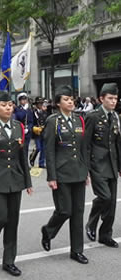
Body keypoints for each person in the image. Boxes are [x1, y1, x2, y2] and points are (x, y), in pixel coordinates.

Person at [0, 91, 33, 277]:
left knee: (12, 222)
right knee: (0, 217)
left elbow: (22, 156)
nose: (8, 108)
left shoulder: (18, 126)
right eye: (3, 105)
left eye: (10, 104)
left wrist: (28, 181)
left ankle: (9, 261)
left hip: (15, 179)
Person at [41, 85, 89, 264]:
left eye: (72, 99)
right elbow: (50, 150)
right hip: (61, 173)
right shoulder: (53, 121)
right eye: (66, 100)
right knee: (65, 210)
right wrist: (51, 176)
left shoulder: (79, 120)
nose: (70, 102)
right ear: (58, 103)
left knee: (78, 212)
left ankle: (77, 250)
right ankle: (48, 230)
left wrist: (86, 171)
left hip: (78, 172)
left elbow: (83, 148)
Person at [85, 82, 121, 248]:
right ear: (101, 99)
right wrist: (85, 168)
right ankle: (92, 222)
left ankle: (105, 234)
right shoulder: (93, 116)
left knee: (112, 203)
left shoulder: (115, 116)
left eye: (115, 98)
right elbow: (85, 144)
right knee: (104, 197)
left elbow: (117, 143)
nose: (114, 101)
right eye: (110, 98)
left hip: (112, 164)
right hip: (97, 164)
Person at [14, 92, 33, 160]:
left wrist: (29, 128)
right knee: (21, 149)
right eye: (22, 100)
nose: (24, 101)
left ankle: (25, 164)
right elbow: (19, 117)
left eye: (25, 99)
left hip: (27, 133)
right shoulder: (17, 109)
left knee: (26, 149)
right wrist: (24, 110)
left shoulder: (29, 110)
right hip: (20, 132)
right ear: (19, 101)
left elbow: (31, 121)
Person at [30, 97, 48, 168]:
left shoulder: (44, 112)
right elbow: (31, 122)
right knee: (38, 148)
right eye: (39, 103)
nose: (40, 105)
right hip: (36, 132)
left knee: (44, 148)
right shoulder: (33, 112)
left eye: (41, 103)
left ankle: (41, 163)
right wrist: (33, 128)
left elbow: (46, 121)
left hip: (43, 132)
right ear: (36, 104)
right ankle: (32, 157)